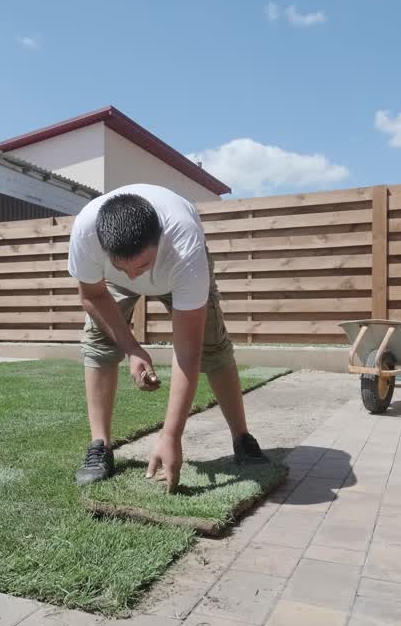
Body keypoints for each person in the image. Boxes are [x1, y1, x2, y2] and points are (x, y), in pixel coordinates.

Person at [67, 183, 269, 492]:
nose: (137, 278)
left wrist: (171, 436)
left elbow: (188, 351)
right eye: (124, 266)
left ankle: (242, 438)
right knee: (99, 342)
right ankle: (100, 446)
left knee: (212, 348)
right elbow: (93, 294)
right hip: (113, 282)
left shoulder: (185, 247)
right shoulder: (85, 231)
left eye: (143, 265)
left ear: (161, 239)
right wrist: (132, 348)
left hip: (177, 275)